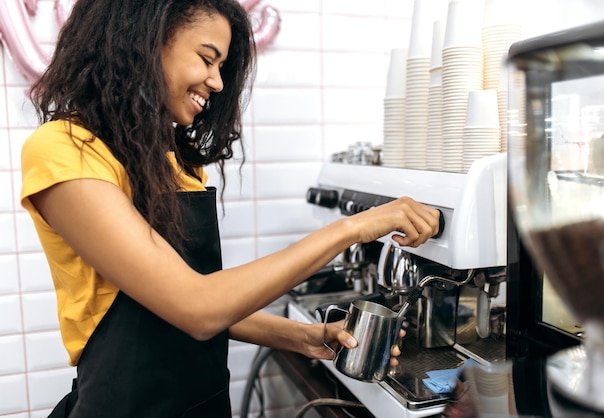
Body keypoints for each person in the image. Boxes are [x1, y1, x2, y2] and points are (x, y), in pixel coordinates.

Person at [20, 0, 441, 416]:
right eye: (207, 59)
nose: (217, 82)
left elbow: (192, 297)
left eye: (221, 67)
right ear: (143, 41)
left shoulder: (172, 161)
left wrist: (301, 336)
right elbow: (197, 308)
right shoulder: (65, 150)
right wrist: (350, 229)